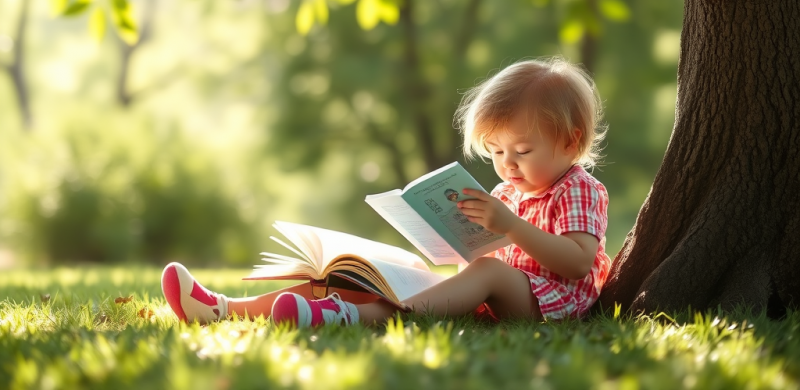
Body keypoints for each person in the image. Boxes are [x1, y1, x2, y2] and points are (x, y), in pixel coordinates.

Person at [161, 57, 611, 327]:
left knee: (488, 273)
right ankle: (226, 308)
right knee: (367, 274)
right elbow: (480, 257)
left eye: (522, 150)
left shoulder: (578, 189)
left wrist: (508, 226)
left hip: (552, 304)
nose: (507, 164)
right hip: (494, 294)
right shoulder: (508, 190)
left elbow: (574, 263)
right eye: (495, 152)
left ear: (570, 142)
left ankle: (351, 319)